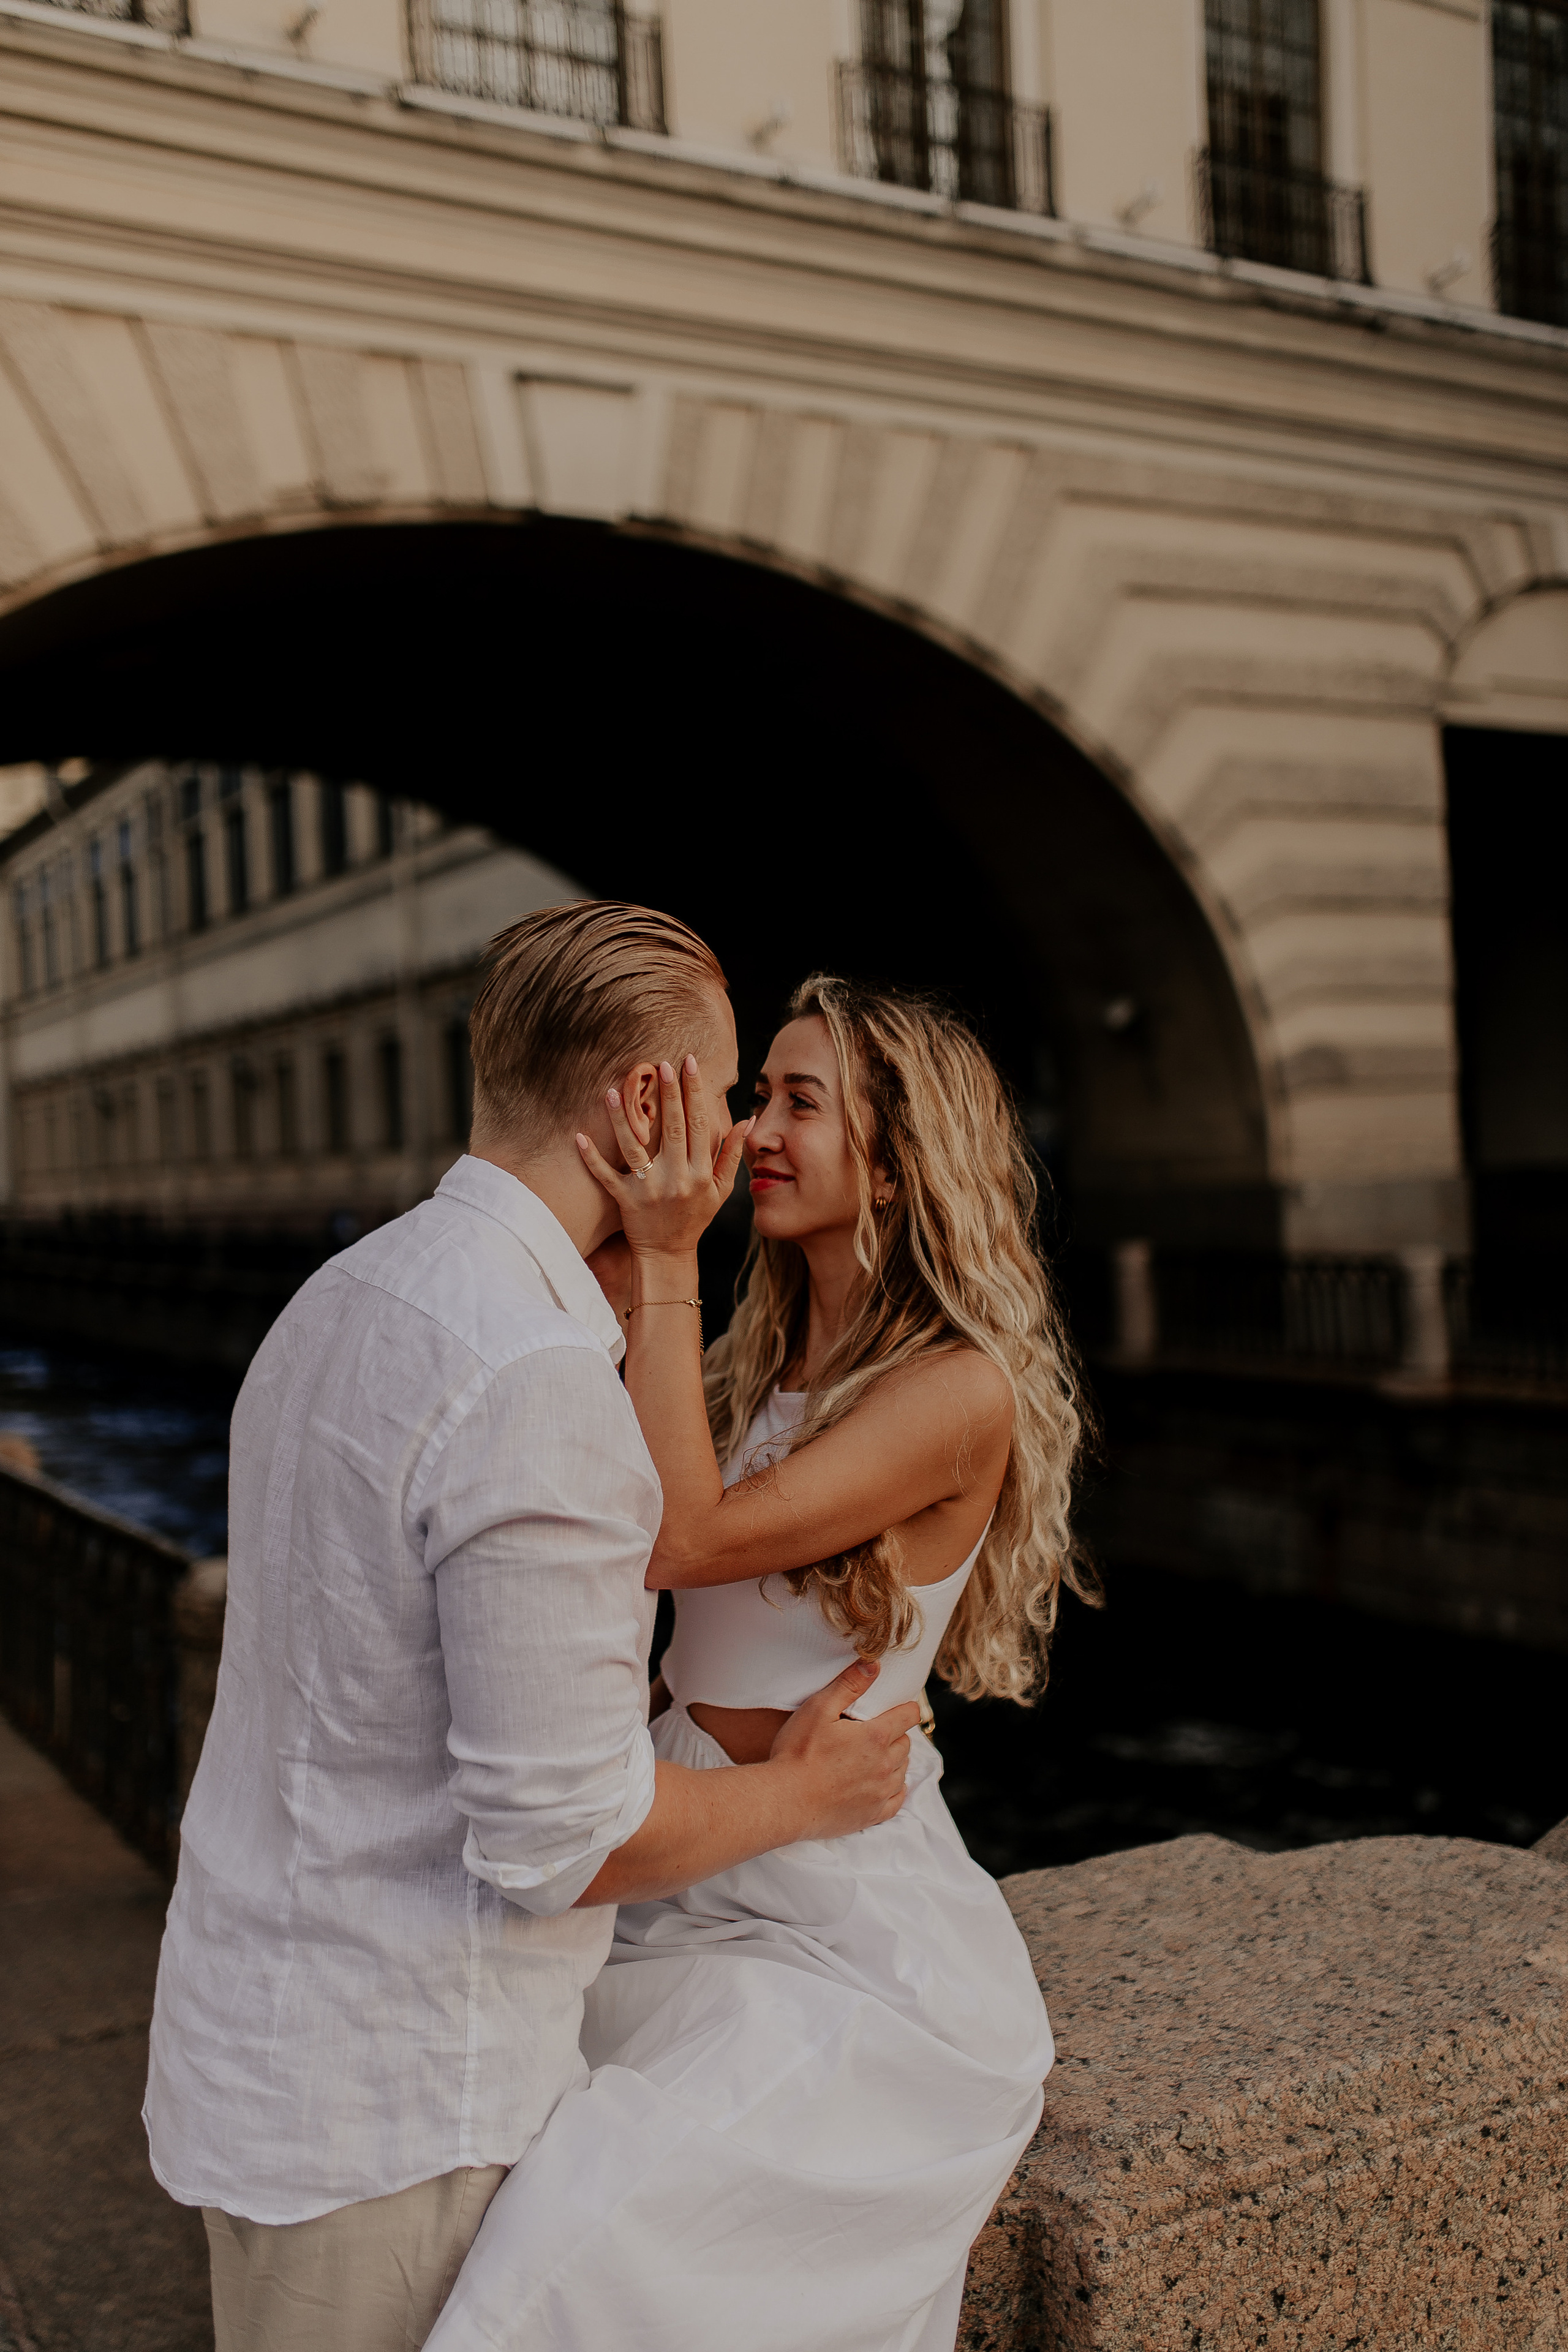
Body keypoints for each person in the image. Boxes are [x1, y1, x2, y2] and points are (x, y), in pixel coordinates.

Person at [143, 906, 919, 2352]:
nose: (740, 1130)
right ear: (645, 1104)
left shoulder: (342, 1295)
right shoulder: (535, 1376)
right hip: (400, 2116)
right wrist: (805, 1793)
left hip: (259, 2055)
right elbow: (569, 1841)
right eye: (725, 1086)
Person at [429, 974, 1094, 2352]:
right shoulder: (744, 1360)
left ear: (900, 1162)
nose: (753, 1130)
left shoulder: (953, 1389)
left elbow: (678, 1537)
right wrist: (630, 1279)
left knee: (581, 2240)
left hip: (830, 1922)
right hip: (671, 1847)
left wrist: (669, 1257)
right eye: (757, 1095)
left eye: (800, 1101)